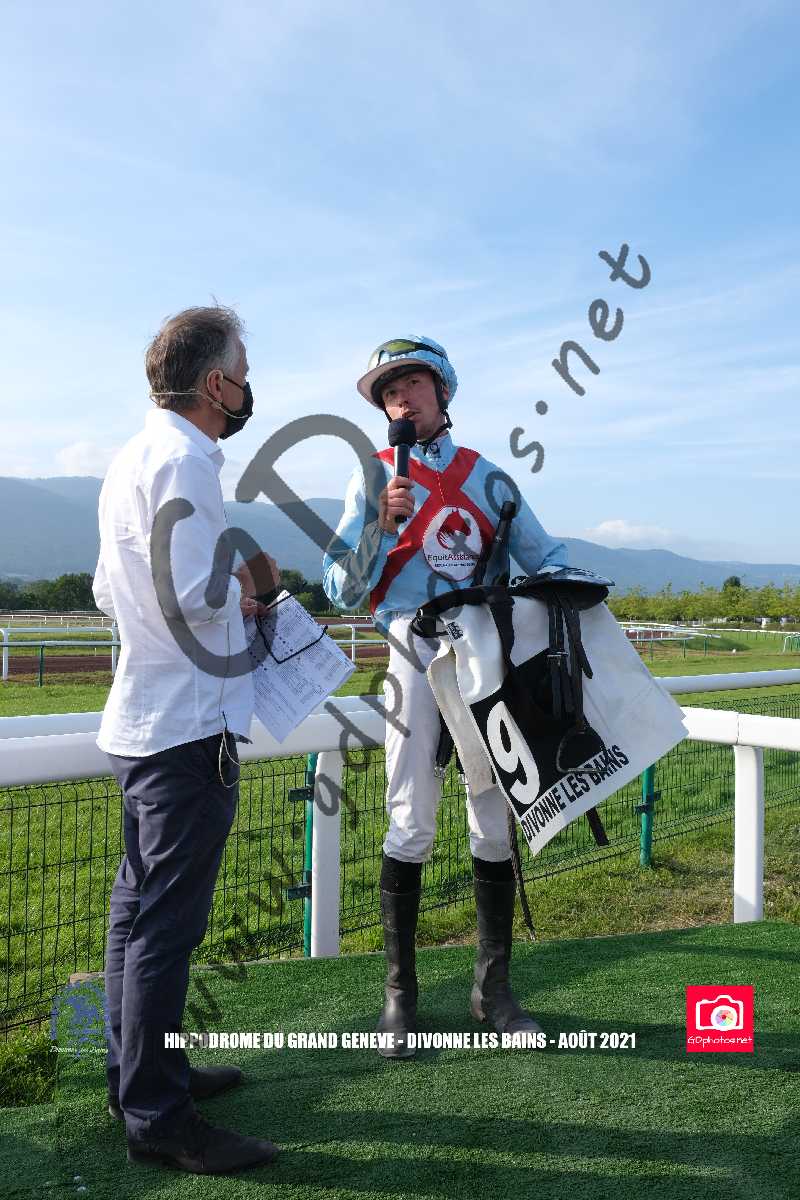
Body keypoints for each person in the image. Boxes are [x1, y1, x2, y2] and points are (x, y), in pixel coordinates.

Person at [323, 336, 569, 1058]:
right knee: (410, 812)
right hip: (411, 648)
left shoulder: (490, 479)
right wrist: (379, 526)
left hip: (483, 649)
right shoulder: (373, 478)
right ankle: (400, 994)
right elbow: (339, 588)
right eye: (387, 390)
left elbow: (546, 558)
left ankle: (494, 990)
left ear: (442, 390)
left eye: (411, 382)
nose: (399, 397)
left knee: (492, 810)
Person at [92, 305, 280, 1173]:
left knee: (137, 916)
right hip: (188, 728)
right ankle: (159, 1116)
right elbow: (195, 595)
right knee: (166, 929)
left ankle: (140, 1077)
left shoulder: (130, 458)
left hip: (142, 720)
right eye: (241, 375)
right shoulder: (187, 461)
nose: (245, 390)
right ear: (214, 384)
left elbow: (108, 592)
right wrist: (248, 585)